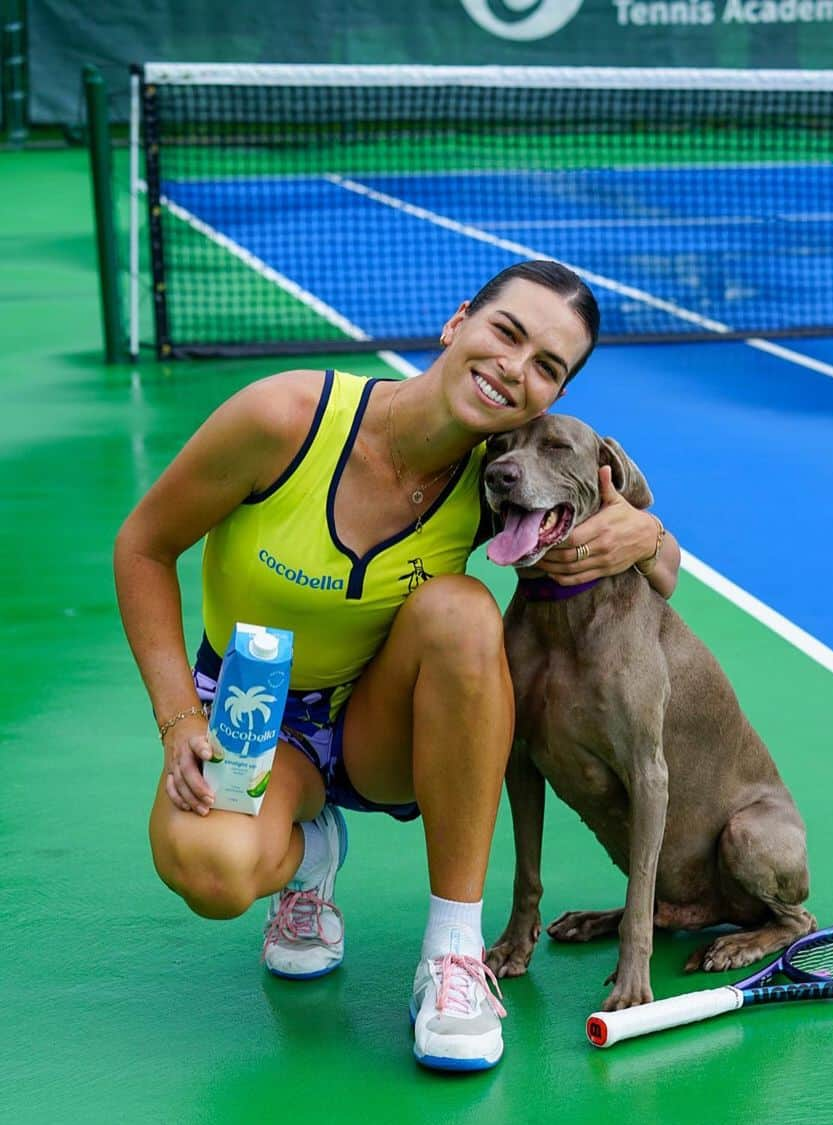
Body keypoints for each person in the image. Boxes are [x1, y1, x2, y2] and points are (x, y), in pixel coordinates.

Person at [113, 260, 682, 1073]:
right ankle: (309, 859)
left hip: (384, 728)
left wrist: (649, 534)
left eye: (546, 367)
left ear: (552, 398)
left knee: (461, 610)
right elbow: (142, 546)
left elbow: (654, 555)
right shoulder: (285, 419)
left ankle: (453, 954)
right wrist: (177, 717)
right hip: (253, 714)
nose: (514, 368)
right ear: (458, 323)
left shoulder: (499, 481)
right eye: (506, 332)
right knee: (209, 869)